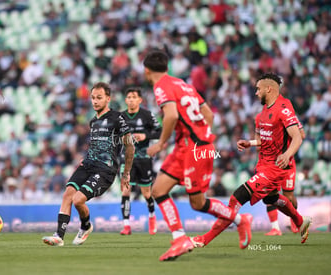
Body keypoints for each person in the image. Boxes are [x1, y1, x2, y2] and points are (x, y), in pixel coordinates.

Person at [143, 50, 250, 262]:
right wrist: (204, 135)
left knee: (198, 203)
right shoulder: (183, 84)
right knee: (158, 190)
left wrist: (162, 143)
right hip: (187, 146)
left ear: (147, 71)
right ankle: (179, 238)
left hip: (195, 148)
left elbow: (171, 115)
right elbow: (208, 114)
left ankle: (240, 219)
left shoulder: (161, 86)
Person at [192, 73, 312, 249]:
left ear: (268, 89)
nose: (255, 93)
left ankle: (204, 239)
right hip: (263, 165)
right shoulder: (263, 113)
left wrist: (287, 155)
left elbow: (298, 137)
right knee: (271, 199)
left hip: (274, 168)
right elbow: (267, 140)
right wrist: (251, 143)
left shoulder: (284, 108)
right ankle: (301, 220)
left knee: (237, 197)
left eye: (258, 89)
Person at [42, 82, 134, 246]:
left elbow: (130, 146)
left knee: (78, 200)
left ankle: (86, 226)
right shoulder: (93, 122)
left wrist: (126, 173)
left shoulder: (117, 118)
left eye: (99, 98)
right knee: (68, 193)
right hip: (88, 164)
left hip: (105, 170)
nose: (95, 101)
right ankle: (59, 236)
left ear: (108, 99)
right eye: (93, 98)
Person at [119, 87, 162, 235]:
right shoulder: (120, 117)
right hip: (127, 160)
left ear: (139, 100)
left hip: (144, 158)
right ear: (126, 100)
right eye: (128, 97)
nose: (131, 99)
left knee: (146, 193)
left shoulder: (147, 115)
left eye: (133, 97)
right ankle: (126, 225)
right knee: (125, 191)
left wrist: (146, 136)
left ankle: (151, 216)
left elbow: (160, 131)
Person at [261, 113, 306, 236]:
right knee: (269, 192)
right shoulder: (267, 118)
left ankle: (294, 217)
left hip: (287, 164)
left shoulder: (291, 118)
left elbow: (302, 135)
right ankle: (275, 228)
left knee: (289, 196)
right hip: (271, 163)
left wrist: (288, 138)